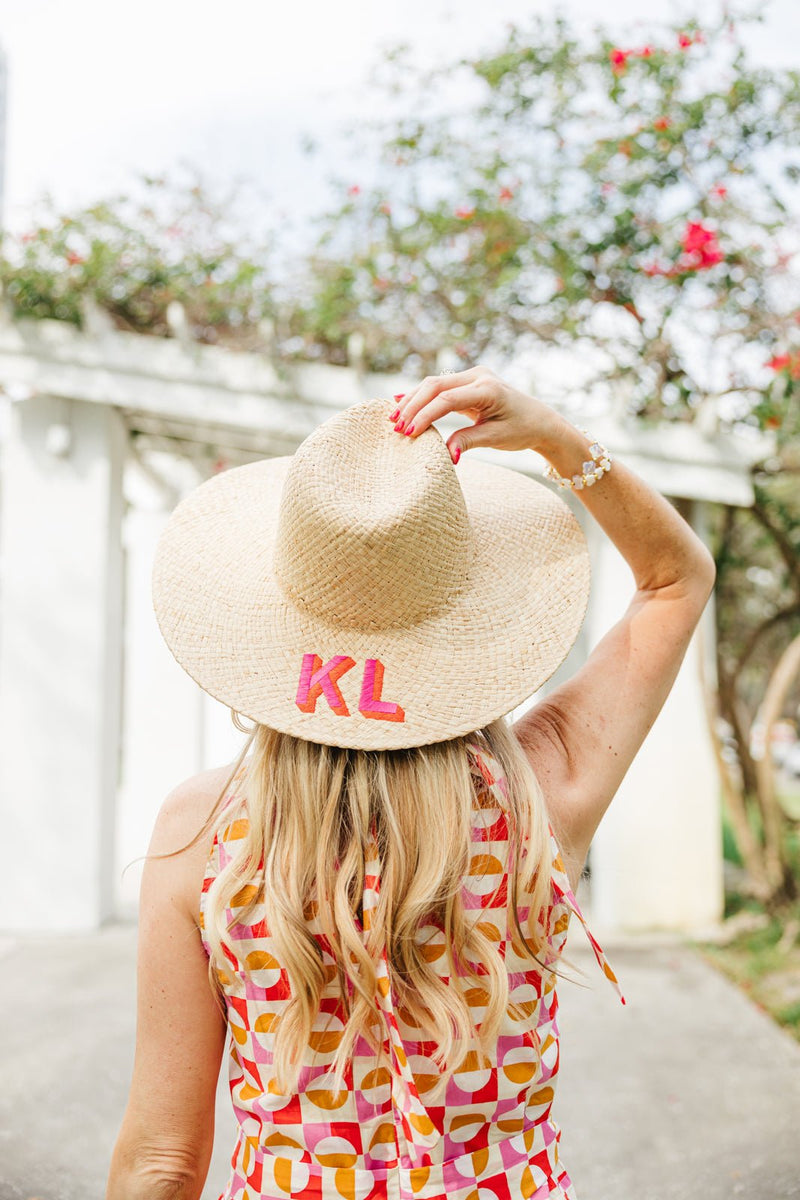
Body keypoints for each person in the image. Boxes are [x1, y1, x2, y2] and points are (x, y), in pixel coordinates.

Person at [106, 365, 715, 1200]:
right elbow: (676, 582)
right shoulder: (544, 791)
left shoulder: (201, 832)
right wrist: (555, 439)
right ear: (465, 615)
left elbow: (162, 1163)